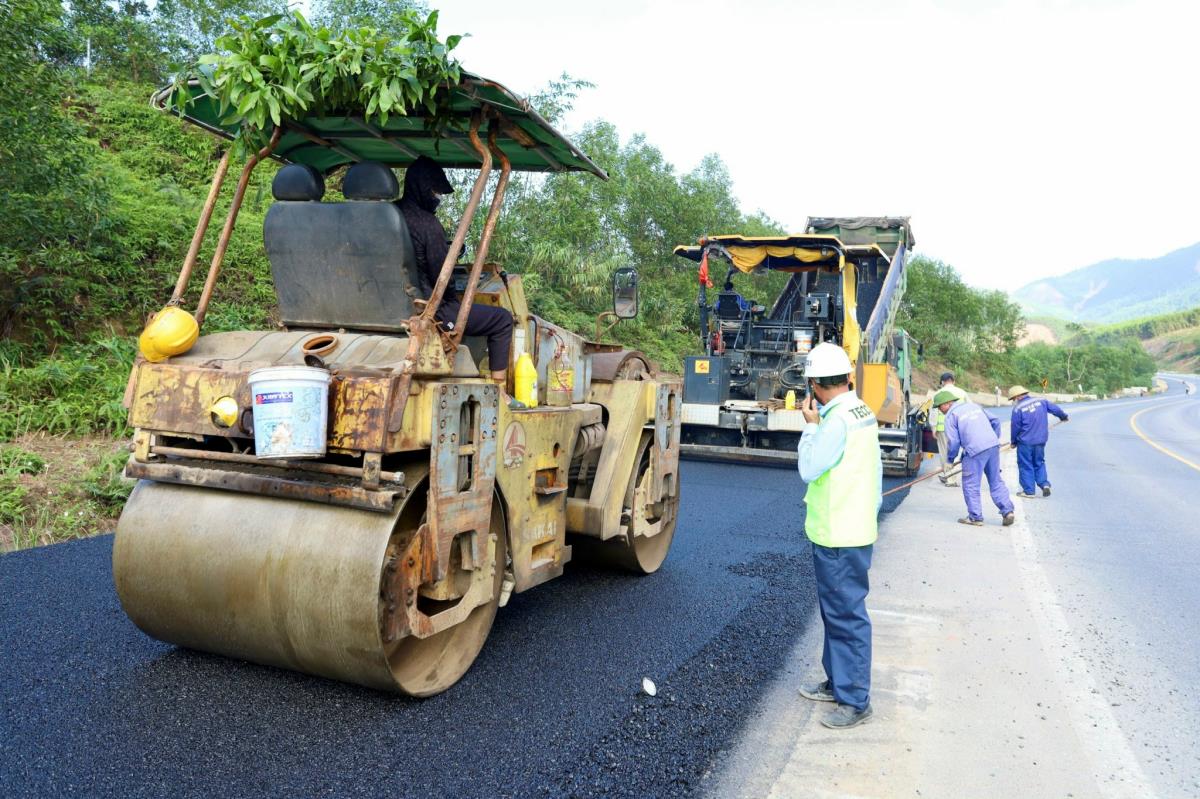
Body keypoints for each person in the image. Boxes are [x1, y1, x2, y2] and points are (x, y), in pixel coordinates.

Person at [795, 343, 882, 730]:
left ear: (814, 385)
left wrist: (810, 427)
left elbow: (810, 468)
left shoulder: (834, 422)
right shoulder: (860, 410)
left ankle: (855, 700)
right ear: (847, 377)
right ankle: (837, 681)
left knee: (846, 616)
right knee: (836, 613)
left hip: (839, 533)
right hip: (854, 525)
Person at [398, 156, 516, 394]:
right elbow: (442, 274)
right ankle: (500, 391)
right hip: (429, 310)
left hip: (394, 304)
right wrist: (453, 296)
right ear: (422, 188)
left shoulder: (387, 215)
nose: (437, 197)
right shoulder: (427, 224)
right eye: (434, 191)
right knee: (502, 319)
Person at [934, 389, 1015, 527]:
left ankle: (975, 517)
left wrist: (949, 460)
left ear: (947, 403)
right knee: (996, 480)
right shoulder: (973, 406)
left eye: (939, 407)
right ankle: (1008, 511)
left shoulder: (951, 415)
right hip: (992, 447)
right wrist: (993, 439)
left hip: (974, 451)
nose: (939, 410)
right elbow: (995, 420)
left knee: (971, 483)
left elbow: (953, 442)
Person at [1008, 385, 1068, 498]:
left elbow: (1015, 427)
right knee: (1039, 462)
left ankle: (1029, 491)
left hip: (1025, 442)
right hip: (1041, 440)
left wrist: (1013, 441)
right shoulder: (1041, 400)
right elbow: (1056, 409)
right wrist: (1063, 417)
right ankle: (1044, 484)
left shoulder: (1018, 409)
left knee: (1025, 464)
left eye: (1013, 399)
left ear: (1017, 397)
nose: (1013, 401)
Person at [930, 371, 967, 487]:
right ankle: (953, 476)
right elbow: (969, 407)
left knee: (945, 453)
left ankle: (949, 478)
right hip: (961, 427)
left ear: (942, 382)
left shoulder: (938, 394)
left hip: (943, 428)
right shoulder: (962, 392)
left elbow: (934, 412)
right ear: (953, 381)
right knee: (957, 451)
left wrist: (933, 428)